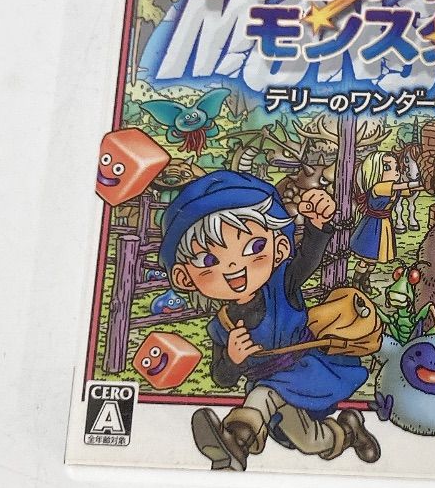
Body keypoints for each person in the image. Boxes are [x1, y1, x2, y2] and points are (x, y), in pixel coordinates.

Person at [160, 169, 380, 469]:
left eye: (254, 248)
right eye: (209, 260)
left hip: (304, 372)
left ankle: (236, 440)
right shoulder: (222, 325)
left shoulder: (282, 285)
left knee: (265, 400)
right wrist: (233, 359)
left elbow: (307, 261)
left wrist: (317, 226)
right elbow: (222, 378)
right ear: (185, 277)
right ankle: (348, 431)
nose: (234, 266)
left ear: (279, 249)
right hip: (268, 385)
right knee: (309, 440)